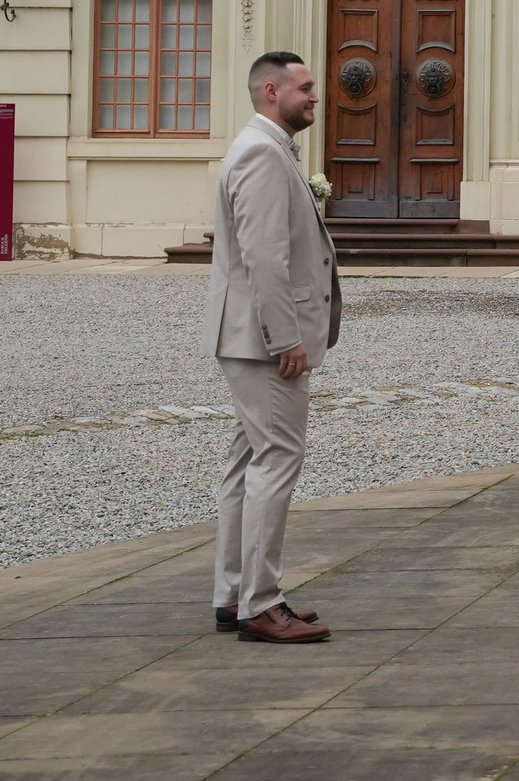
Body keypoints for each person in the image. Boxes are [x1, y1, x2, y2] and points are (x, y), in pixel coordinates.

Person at [206, 51, 339, 644]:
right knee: (277, 459)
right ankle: (261, 603)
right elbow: (264, 257)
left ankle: (234, 594)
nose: (315, 97)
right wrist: (284, 336)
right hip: (265, 343)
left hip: (246, 338)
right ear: (270, 90)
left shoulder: (268, 147)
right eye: (305, 88)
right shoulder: (261, 153)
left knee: (246, 463)